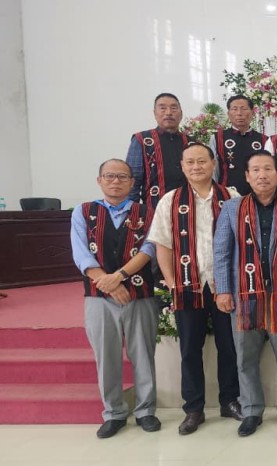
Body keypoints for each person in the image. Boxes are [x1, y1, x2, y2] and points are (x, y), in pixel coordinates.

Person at [147, 143, 242, 435]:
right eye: (190, 162)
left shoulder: (232, 197)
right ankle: (194, 408)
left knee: (230, 346)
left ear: (213, 163)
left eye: (202, 161)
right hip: (187, 284)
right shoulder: (170, 200)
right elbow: (162, 244)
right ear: (182, 166)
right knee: (189, 349)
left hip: (224, 284)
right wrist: (173, 282)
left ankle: (229, 401)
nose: (197, 166)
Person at [213, 150, 277, 437]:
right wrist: (223, 290)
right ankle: (251, 410)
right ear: (247, 176)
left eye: (268, 169)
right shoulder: (231, 208)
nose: (262, 175)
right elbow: (221, 252)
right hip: (244, 295)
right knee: (245, 358)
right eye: (255, 170)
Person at [71, 159, 159, 438]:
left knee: (143, 354)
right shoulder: (84, 212)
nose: (116, 181)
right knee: (106, 357)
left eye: (122, 177)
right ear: (99, 180)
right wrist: (108, 284)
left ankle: (146, 411)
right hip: (98, 298)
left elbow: (150, 249)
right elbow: (81, 254)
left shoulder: (146, 211)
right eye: (109, 176)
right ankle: (114, 413)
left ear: (132, 183)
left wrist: (118, 276)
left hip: (140, 294)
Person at [127, 92, 189, 207]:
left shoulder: (191, 142)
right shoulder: (142, 140)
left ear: (181, 113)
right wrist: (133, 213)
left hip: (189, 209)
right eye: (162, 108)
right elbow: (132, 182)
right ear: (155, 113)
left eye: (174, 108)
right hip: (154, 211)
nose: (169, 112)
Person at [210, 95, 267, 195]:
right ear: (228, 114)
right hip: (226, 193)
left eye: (244, 109)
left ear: (252, 113)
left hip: (257, 194)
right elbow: (213, 170)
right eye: (234, 109)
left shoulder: (264, 139)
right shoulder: (217, 138)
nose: (239, 113)